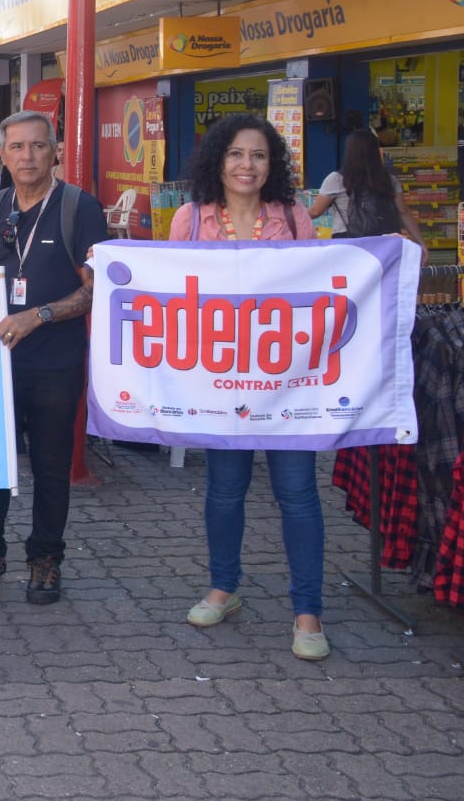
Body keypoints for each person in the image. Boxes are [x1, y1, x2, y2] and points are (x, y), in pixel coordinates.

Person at [172, 114, 329, 661]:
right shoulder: (190, 219)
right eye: (236, 154)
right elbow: (165, 292)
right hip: (221, 384)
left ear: (272, 164)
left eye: (258, 155)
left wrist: (394, 256)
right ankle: (224, 588)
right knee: (223, 491)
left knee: (298, 494)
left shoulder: (293, 215)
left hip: (288, 384)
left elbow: (323, 285)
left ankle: (307, 612)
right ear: (218, 160)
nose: (247, 165)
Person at [0, 110, 108, 606]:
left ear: (55, 152)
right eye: (16, 147)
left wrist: (40, 315)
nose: (27, 156)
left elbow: (96, 289)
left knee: (50, 463)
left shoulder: (79, 207)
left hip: (55, 360)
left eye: (38, 146)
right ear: (2, 156)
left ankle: (46, 558)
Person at [307, 129, 423, 243]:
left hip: (347, 240)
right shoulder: (388, 179)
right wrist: (421, 243)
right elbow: (403, 211)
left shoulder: (337, 179)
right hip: (383, 240)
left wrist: (297, 216)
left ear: (350, 152)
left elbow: (315, 211)